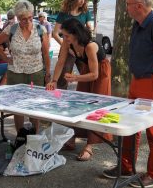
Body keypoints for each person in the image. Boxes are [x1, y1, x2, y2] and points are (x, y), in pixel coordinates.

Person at [102, 0, 153, 187]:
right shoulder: (139, 23)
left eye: (127, 4)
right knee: (130, 125)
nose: (125, 8)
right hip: (139, 80)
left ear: (138, 6)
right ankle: (126, 167)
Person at [46, 18, 112, 161]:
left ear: (76, 34)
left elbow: (95, 75)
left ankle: (90, 145)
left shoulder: (90, 46)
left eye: (67, 35)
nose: (64, 38)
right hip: (86, 71)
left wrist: (75, 78)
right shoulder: (67, 42)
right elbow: (61, 61)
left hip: (100, 71)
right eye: (63, 35)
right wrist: (54, 81)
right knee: (80, 105)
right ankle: (72, 138)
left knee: (96, 106)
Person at [0, 0, 51, 134]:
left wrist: (47, 74)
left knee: (34, 107)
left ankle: (33, 136)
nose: (28, 21)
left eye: (30, 17)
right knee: (17, 107)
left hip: (36, 72)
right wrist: (6, 58)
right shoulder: (11, 29)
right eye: (24, 19)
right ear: (17, 18)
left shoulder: (40, 29)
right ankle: (20, 137)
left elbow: (46, 54)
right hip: (15, 73)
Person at [52, 0, 92, 90]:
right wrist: (67, 48)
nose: (82, 1)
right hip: (67, 47)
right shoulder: (64, 13)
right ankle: (59, 98)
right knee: (62, 77)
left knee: (86, 73)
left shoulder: (85, 12)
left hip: (81, 47)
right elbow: (55, 34)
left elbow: (89, 29)